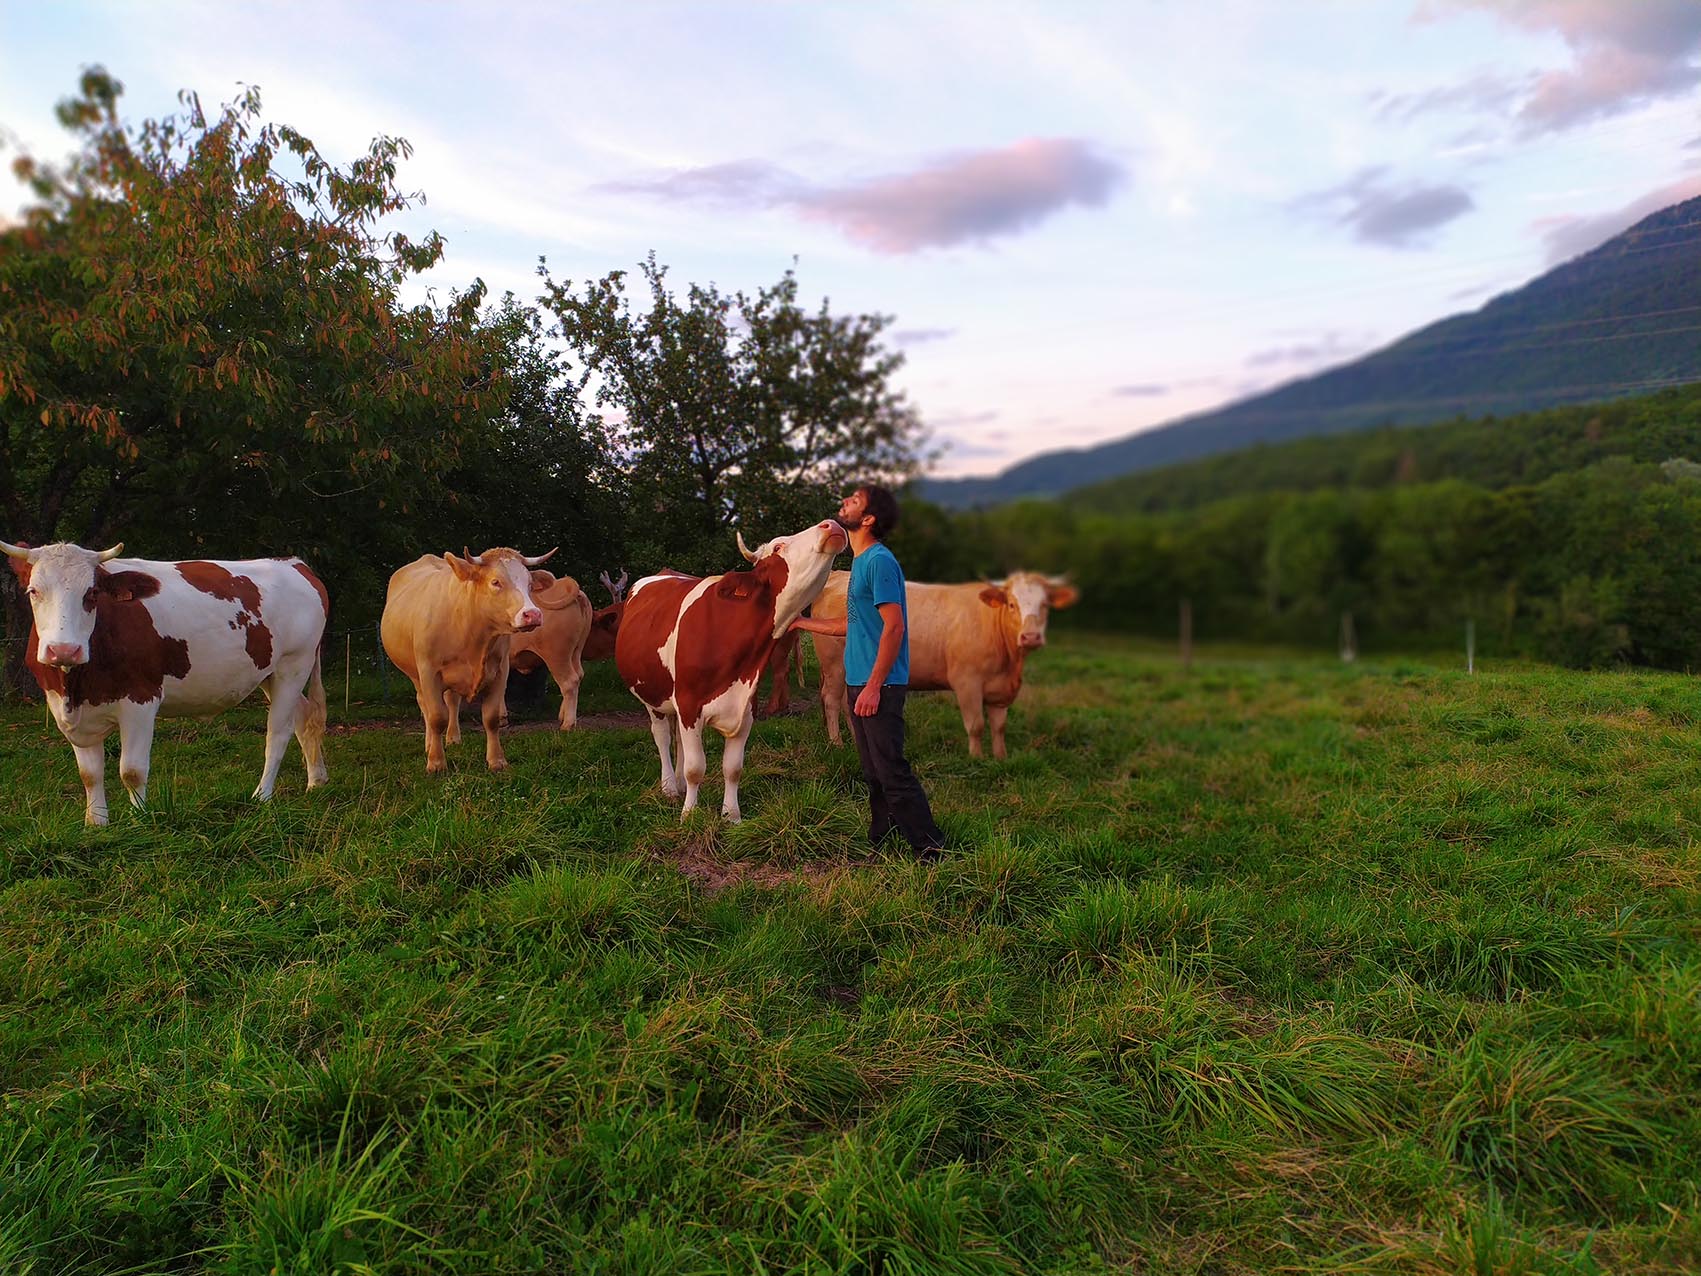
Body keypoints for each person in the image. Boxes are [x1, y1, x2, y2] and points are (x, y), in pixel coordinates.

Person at [793, 484, 945, 861]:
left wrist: (874, 687)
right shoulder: (860, 563)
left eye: (854, 501)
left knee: (892, 770)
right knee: (872, 770)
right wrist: (799, 624)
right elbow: (852, 623)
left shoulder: (879, 562)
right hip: (858, 680)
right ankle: (882, 834)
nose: (845, 502)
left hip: (881, 684)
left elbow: (894, 627)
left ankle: (931, 849)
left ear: (869, 518)